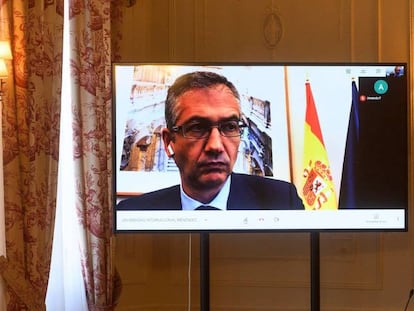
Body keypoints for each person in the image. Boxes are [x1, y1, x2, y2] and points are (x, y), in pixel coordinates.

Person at [117, 71, 304, 210]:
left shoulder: (282, 201)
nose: (215, 146)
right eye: (197, 127)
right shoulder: (132, 213)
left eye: (230, 127)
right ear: (168, 142)